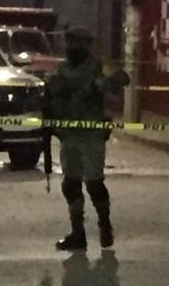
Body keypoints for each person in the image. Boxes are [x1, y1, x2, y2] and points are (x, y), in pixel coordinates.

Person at [42, 25, 130, 251]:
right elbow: (52, 96)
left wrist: (101, 87)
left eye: (77, 44)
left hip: (91, 134)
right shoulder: (61, 70)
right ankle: (77, 233)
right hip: (69, 135)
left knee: (94, 183)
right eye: (70, 43)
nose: (73, 47)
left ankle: (104, 224)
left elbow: (120, 81)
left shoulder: (98, 68)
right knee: (70, 184)